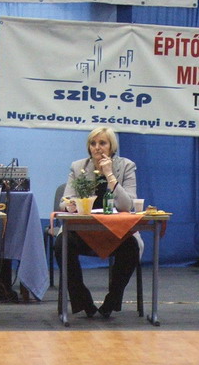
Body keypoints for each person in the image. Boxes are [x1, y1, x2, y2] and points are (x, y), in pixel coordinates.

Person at [54, 126, 140, 319]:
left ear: (112, 147)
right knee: (61, 245)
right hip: (83, 231)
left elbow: (127, 205)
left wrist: (109, 175)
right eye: (93, 143)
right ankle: (83, 301)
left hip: (115, 232)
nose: (97, 147)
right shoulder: (78, 167)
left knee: (132, 247)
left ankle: (112, 301)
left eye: (102, 143)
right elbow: (64, 201)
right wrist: (70, 205)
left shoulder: (126, 166)